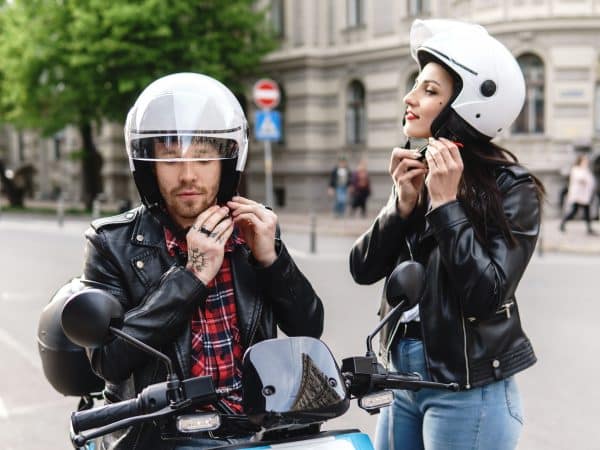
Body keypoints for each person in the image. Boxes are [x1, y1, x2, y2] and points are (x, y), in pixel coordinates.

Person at [78, 73, 324, 450]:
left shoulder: (251, 230)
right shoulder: (114, 243)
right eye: (171, 159)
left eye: (203, 158)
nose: (189, 174)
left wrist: (271, 259)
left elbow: (309, 326)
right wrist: (191, 277)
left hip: (254, 428)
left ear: (226, 163)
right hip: (165, 435)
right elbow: (109, 360)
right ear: (149, 165)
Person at [349, 19, 545, 450]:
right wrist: (399, 206)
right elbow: (362, 270)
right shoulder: (417, 176)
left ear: (470, 105)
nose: (410, 98)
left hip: (466, 389)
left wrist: (446, 206)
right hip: (401, 378)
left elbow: (487, 295)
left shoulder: (513, 188)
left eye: (430, 91)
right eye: (417, 86)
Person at [560, 154, 596, 234]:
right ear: (580, 161)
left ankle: (589, 228)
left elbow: (590, 180)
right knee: (574, 211)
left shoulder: (585, 169)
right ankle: (563, 223)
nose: (586, 162)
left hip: (584, 195)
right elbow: (581, 179)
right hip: (578, 195)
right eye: (584, 161)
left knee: (586, 211)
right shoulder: (576, 169)